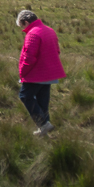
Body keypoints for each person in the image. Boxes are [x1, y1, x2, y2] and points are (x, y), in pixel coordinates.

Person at [16, 9, 66, 137]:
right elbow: (57, 50)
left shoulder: (33, 34)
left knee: (25, 95)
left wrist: (23, 73)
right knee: (42, 100)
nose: (23, 29)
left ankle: (44, 124)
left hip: (37, 73)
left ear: (26, 22)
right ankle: (44, 129)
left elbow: (29, 58)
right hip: (50, 74)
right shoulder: (50, 30)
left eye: (22, 26)